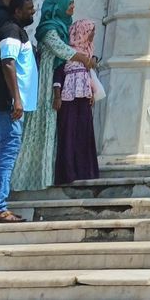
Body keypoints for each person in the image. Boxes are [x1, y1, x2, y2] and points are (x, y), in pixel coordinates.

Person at [12, 0, 94, 191]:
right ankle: (30, 180)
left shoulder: (65, 29)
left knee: (55, 130)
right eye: (70, 4)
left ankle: (51, 175)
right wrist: (86, 60)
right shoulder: (49, 30)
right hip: (46, 84)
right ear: (58, 6)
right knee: (43, 126)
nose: (72, 7)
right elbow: (63, 51)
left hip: (58, 83)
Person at [0, 0, 38, 222]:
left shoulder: (16, 31)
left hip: (12, 106)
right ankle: (0, 207)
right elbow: (8, 62)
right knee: (6, 156)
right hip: (10, 107)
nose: (32, 13)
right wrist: (17, 99)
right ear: (16, 11)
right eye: (29, 9)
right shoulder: (11, 31)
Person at [53, 20, 99, 185]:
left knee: (84, 135)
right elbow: (58, 74)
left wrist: (91, 92)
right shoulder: (68, 52)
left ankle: (85, 172)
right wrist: (57, 96)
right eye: (91, 31)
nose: (93, 34)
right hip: (68, 100)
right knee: (69, 134)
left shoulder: (87, 52)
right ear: (82, 32)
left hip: (84, 100)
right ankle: (69, 174)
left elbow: (88, 75)